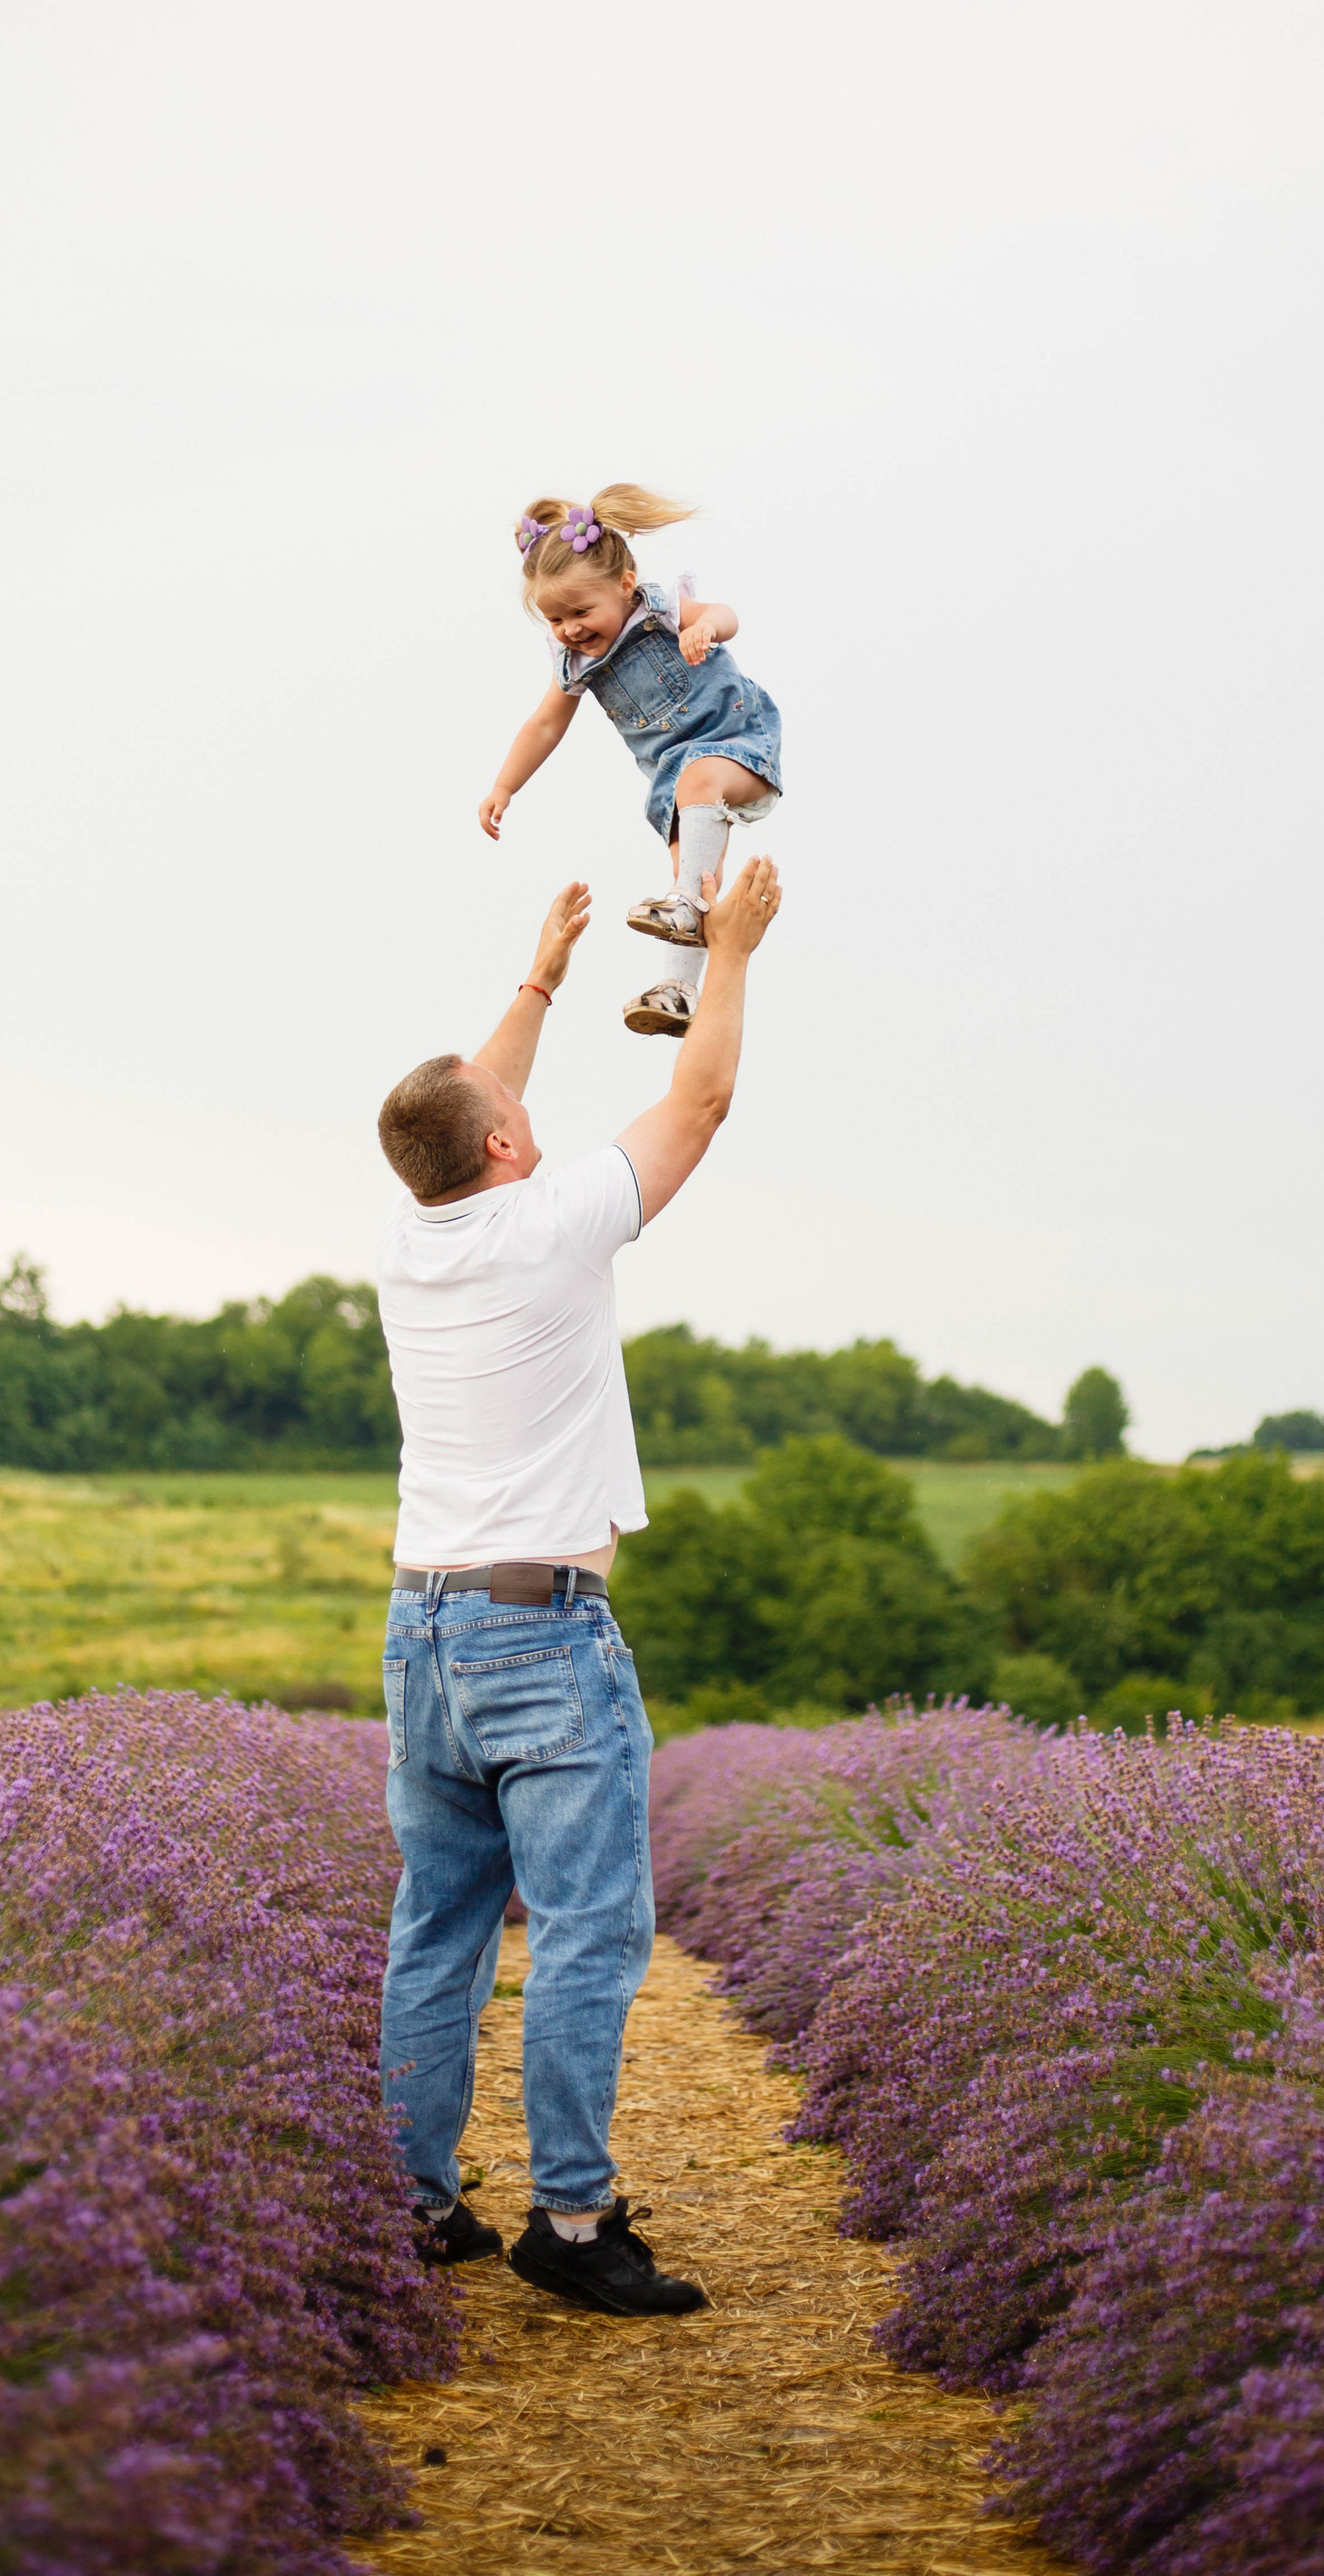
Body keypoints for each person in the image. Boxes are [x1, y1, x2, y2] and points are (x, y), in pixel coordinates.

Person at [371, 851, 783, 2316]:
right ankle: (571, 2219)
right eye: (518, 1122)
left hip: (418, 1630)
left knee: (438, 1925)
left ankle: (411, 2207)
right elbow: (700, 1105)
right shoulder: (551, 1227)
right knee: (591, 1935)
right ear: (501, 1155)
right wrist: (726, 950)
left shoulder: (410, 1236)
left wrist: (541, 975)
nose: (528, 1121)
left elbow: (453, 1104)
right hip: (539, 1632)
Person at [476, 485, 783, 1040]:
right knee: (691, 882)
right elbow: (544, 724)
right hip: (674, 782)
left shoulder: (657, 609)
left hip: (737, 739)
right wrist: (505, 785)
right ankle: (680, 991)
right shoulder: (576, 662)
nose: (569, 628)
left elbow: (724, 612)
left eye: (580, 610)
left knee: (699, 785)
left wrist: (704, 627)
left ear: (623, 586)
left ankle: (688, 912)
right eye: (555, 618)